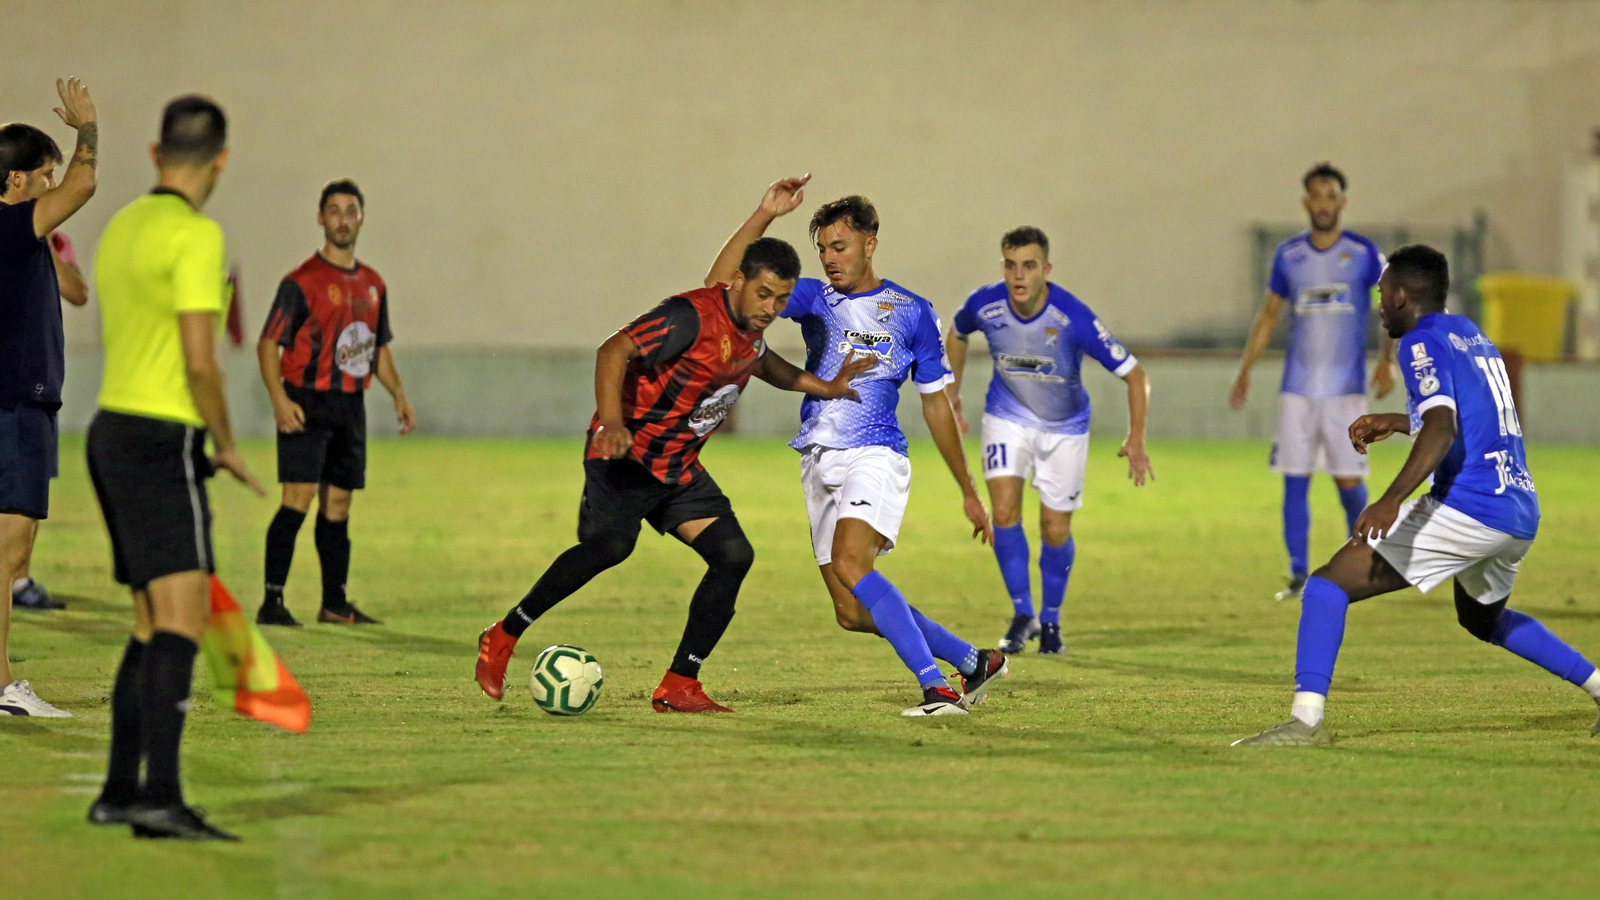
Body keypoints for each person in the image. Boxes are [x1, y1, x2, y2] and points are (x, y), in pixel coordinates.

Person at [476, 178, 873, 713]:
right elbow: (612, 351)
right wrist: (612, 422)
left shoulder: (751, 326)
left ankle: (679, 682)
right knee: (611, 548)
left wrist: (823, 386)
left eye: (781, 299)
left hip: (677, 467)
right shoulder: (690, 316)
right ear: (737, 282)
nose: (771, 308)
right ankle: (504, 634)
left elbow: (766, 363)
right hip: (627, 455)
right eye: (763, 294)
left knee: (733, 556)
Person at [1233, 245, 1600, 746]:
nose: (1379, 304)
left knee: (1327, 585)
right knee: (1482, 620)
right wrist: (1400, 421)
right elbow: (1468, 418)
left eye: (1382, 293)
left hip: (1469, 506)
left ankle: (1305, 723)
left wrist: (1389, 499)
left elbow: (1444, 427)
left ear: (1402, 296)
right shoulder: (1469, 333)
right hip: (1517, 508)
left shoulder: (1419, 342)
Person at [708, 181, 1006, 717]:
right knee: (850, 608)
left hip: (877, 455)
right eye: (822, 249)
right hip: (818, 458)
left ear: (871, 242)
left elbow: (937, 405)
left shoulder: (912, 312)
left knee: (851, 561)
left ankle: (936, 689)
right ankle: (972, 658)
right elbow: (722, 288)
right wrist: (763, 214)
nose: (828, 260)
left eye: (838, 248)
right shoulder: (814, 298)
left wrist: (968, 489)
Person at [84, 95, 264, 840]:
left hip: (110, 431)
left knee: (149, 621)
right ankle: (162, 798)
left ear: (158, 154)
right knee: (183, 624)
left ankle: (120, 791)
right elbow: (201, 359)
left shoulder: (123, 226)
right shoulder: (197, 236)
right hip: (164, 442)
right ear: (220, 159)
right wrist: (223, 441)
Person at [945, 227, 1153, 655]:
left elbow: (1135, 374)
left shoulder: (1072, 317)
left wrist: (1136, 437)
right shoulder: (984, 304)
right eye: (1010, 265)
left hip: (1065, 428)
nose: (1018, 275)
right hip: (1007, 417)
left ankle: (1052, 619)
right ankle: (1023, 613)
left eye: (1028, 266)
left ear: (1046, 269)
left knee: (1054, 528)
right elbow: (958, 331)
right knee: (1003, 513)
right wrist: (953, 392)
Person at [1230, 163, 1395, 601]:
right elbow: (1269, 314)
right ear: (1306, 203)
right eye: (1315, 197)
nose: (1322, 204)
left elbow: (1389, 305)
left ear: (1342, 201)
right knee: (1294, 479)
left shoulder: (1363, 254)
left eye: (1330, 196)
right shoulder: (1289, 256)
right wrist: (1246, 368)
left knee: (1348, 481)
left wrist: (1388, 360)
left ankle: (1368, 563)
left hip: (1346, 391)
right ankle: (1299, 574)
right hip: (1297, 391)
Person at [255, 179, 414, 626]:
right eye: (334, 210)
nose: (343, 219)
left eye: (351, 210)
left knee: (339, 505)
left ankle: (334, 604)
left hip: (350, 406)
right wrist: (278, 398)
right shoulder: (300, 282)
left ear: (361, 217)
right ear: (321, 218)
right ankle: (272, 602)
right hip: (307, 402)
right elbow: (268, 344)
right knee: (297, 499)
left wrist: (398, 393)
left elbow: (377, 347)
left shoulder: (373, 284)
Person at [0, 77, 99, 716]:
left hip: (15, 404)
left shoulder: (19, 237)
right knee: (7, 552)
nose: (53, 186)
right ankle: (4, 686)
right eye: (44, 176)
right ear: (15, 182)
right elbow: (85, 186)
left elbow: (74, 288)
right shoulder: (10, 224)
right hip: (15, 406)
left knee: (13, 551)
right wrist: (88, 127)